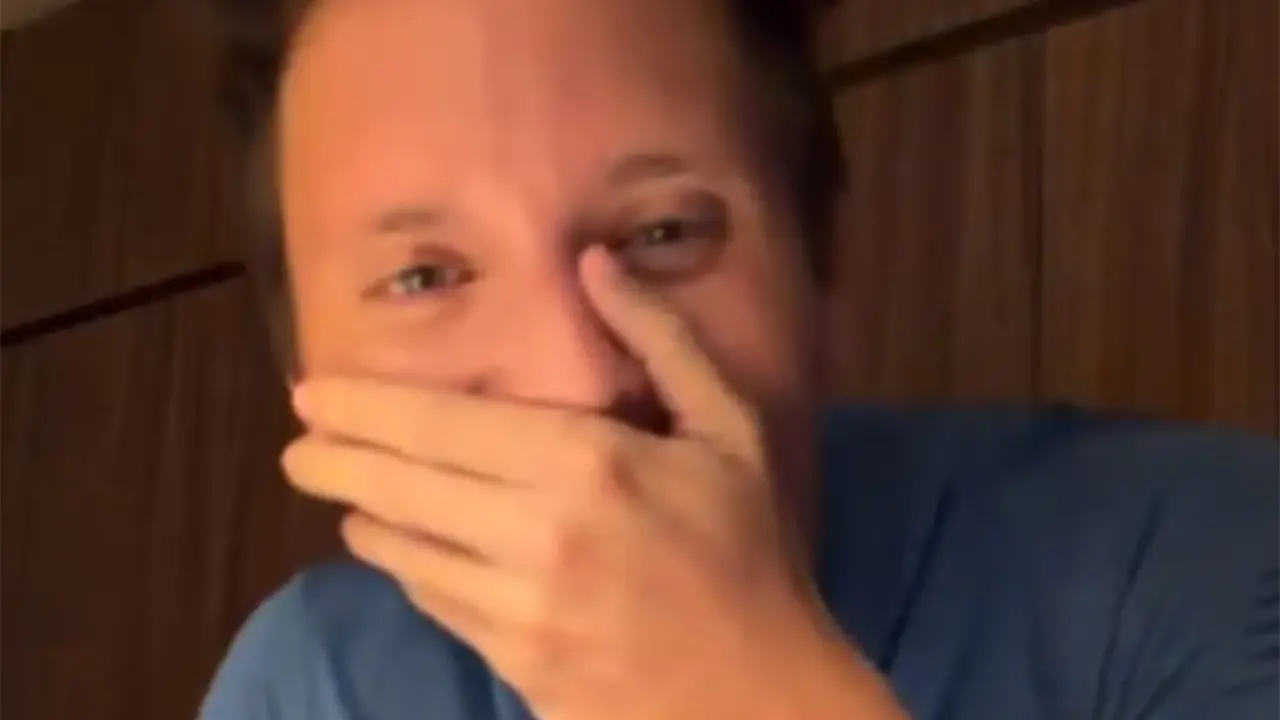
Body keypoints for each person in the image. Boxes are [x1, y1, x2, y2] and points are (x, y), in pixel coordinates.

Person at [200, 0, 1280, 717]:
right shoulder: (314, 686)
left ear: (822, 276)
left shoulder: (1198, 565)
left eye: (665, 232)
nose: (578, 387)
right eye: (424, 278)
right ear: (306, 392)